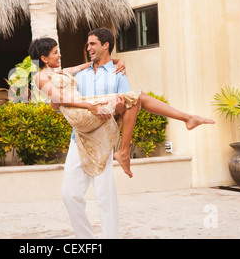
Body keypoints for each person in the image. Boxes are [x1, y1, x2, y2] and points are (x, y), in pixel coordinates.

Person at [29, 28, 214, 238]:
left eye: (92, 44)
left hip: (102, 135)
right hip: (79, 135)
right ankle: (86, 240)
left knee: (104, 196)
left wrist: (117, 68)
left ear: (105, 45)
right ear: (44, 58)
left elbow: (127, 107)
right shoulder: (79, 74)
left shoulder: (118, 73)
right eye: (87, 44)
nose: (87, 48)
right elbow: (60, 98)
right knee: (69, 195)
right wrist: (63, 103)